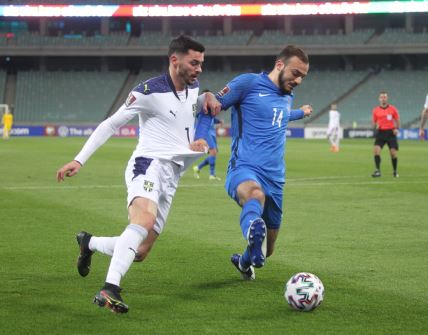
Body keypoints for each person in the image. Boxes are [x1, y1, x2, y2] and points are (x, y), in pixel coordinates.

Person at [56, 35, 221, 313]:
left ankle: (89, 243)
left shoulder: (194, 90)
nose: (199, 69)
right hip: (148, 164)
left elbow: (199, 101)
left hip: (173, 174)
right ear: (174, 60)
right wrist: (79, 160)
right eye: (194, 63)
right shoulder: (148, 91)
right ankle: (109, 289)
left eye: (202, 64)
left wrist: (209, 95)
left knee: (140, 251)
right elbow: (110, 124)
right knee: (144, 218)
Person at [210, 45, 312, 280]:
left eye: (303, 77)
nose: (298, 80)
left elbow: (280, 116)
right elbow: (213, 105)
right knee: (254, 195)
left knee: (268, 249)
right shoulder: (247, 84)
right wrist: (199, 133)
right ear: (279, 65)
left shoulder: (288, 94)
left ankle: (244, 262)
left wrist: (301, 112)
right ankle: (252, 228)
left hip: (275, 177)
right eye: (296, 73)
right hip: (244, 167)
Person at [193, 89, 224, 181]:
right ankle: (212, 175)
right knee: (213, 152)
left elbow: (211, 119)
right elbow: (200, 118)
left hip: (212, 132)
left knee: (213, 153)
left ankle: (198, 168)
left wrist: (219, 121)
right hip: (205, 132)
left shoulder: (209, 108)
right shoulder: (199, 108)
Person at [371, 91, 400, 178]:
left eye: (385, 97)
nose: (383, 99)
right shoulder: (375, 110)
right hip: (380, 133)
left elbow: (397, 120)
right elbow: (373, 123)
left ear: (387, 98)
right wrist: (376, 126)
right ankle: (377, 171)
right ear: (379, 99)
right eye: (381, 97)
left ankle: (395, 171)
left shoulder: (393, 109)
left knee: (393, 153)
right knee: (376, 151)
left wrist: (396, 129)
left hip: (391, 133)